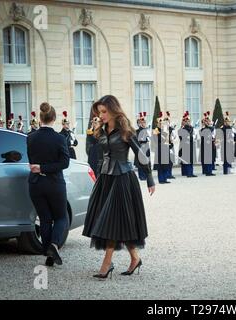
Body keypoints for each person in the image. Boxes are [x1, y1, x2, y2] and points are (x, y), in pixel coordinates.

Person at [82, 95, 155, 279]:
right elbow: (91, 151)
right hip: (106, 179)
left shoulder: (125, 130)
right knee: (120, 221)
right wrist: (92, 133)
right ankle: (135, 258)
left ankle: (107, 264)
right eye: (99, 112)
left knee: (111, 220)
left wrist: (149, 177)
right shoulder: (102, 128)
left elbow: (140, 154)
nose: (101, 115)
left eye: (104, 112)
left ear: (114, 110)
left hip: (122, 178)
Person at [27, 102, 70, 267]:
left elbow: (32, 161)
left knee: (45, 219)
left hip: (36, 183)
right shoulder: (59, 138)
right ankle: (54, 245)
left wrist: (41, 167)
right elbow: (65, 163)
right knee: (61, 217)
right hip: (54, 183)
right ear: (54, 119)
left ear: (40, 118)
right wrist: (45, 167)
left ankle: (49, 255)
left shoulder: (30, 137)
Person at [178, 111, 197, 178]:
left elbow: (193, 136)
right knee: (187, 160)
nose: (188, 122)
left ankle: (191, 172)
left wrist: (193, 137)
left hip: (191, 145)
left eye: (189, 121)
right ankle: (188, 173)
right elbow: (182, 137)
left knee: (191, 159)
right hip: (186, 146)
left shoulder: (191, 128)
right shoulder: (183, 129)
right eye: (187, 121)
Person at [135, 112, 151, 181]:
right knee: (141, 163)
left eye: (144, 122)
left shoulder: (147, 130)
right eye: (143, 122)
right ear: (139, 123)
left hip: (146, 147)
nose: (144, 123)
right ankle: (141, 176)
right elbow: (138, 139)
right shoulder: (137, 131)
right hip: (141, 147)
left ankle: (146, 175)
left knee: (146, 162)